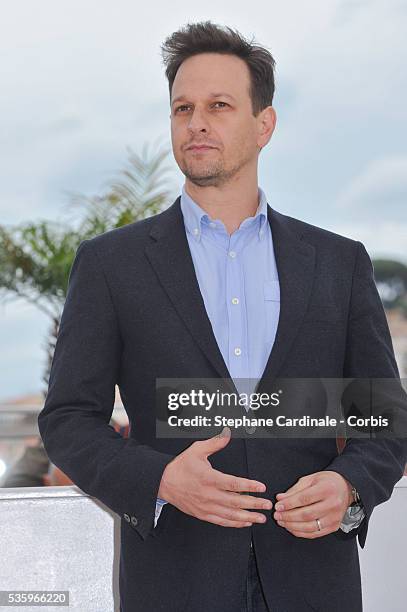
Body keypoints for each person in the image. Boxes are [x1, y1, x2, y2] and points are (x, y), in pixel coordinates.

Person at [38, 21, 407, 612]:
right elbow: (68, 420)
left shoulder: (339, 263)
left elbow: (384, 421)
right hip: (174, 581)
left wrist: (350, 485)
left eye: (218, 105)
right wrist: (158, 481)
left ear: (265, 125)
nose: (197, 123)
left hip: (314, 581)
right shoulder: (111, 264)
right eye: (182, 108)